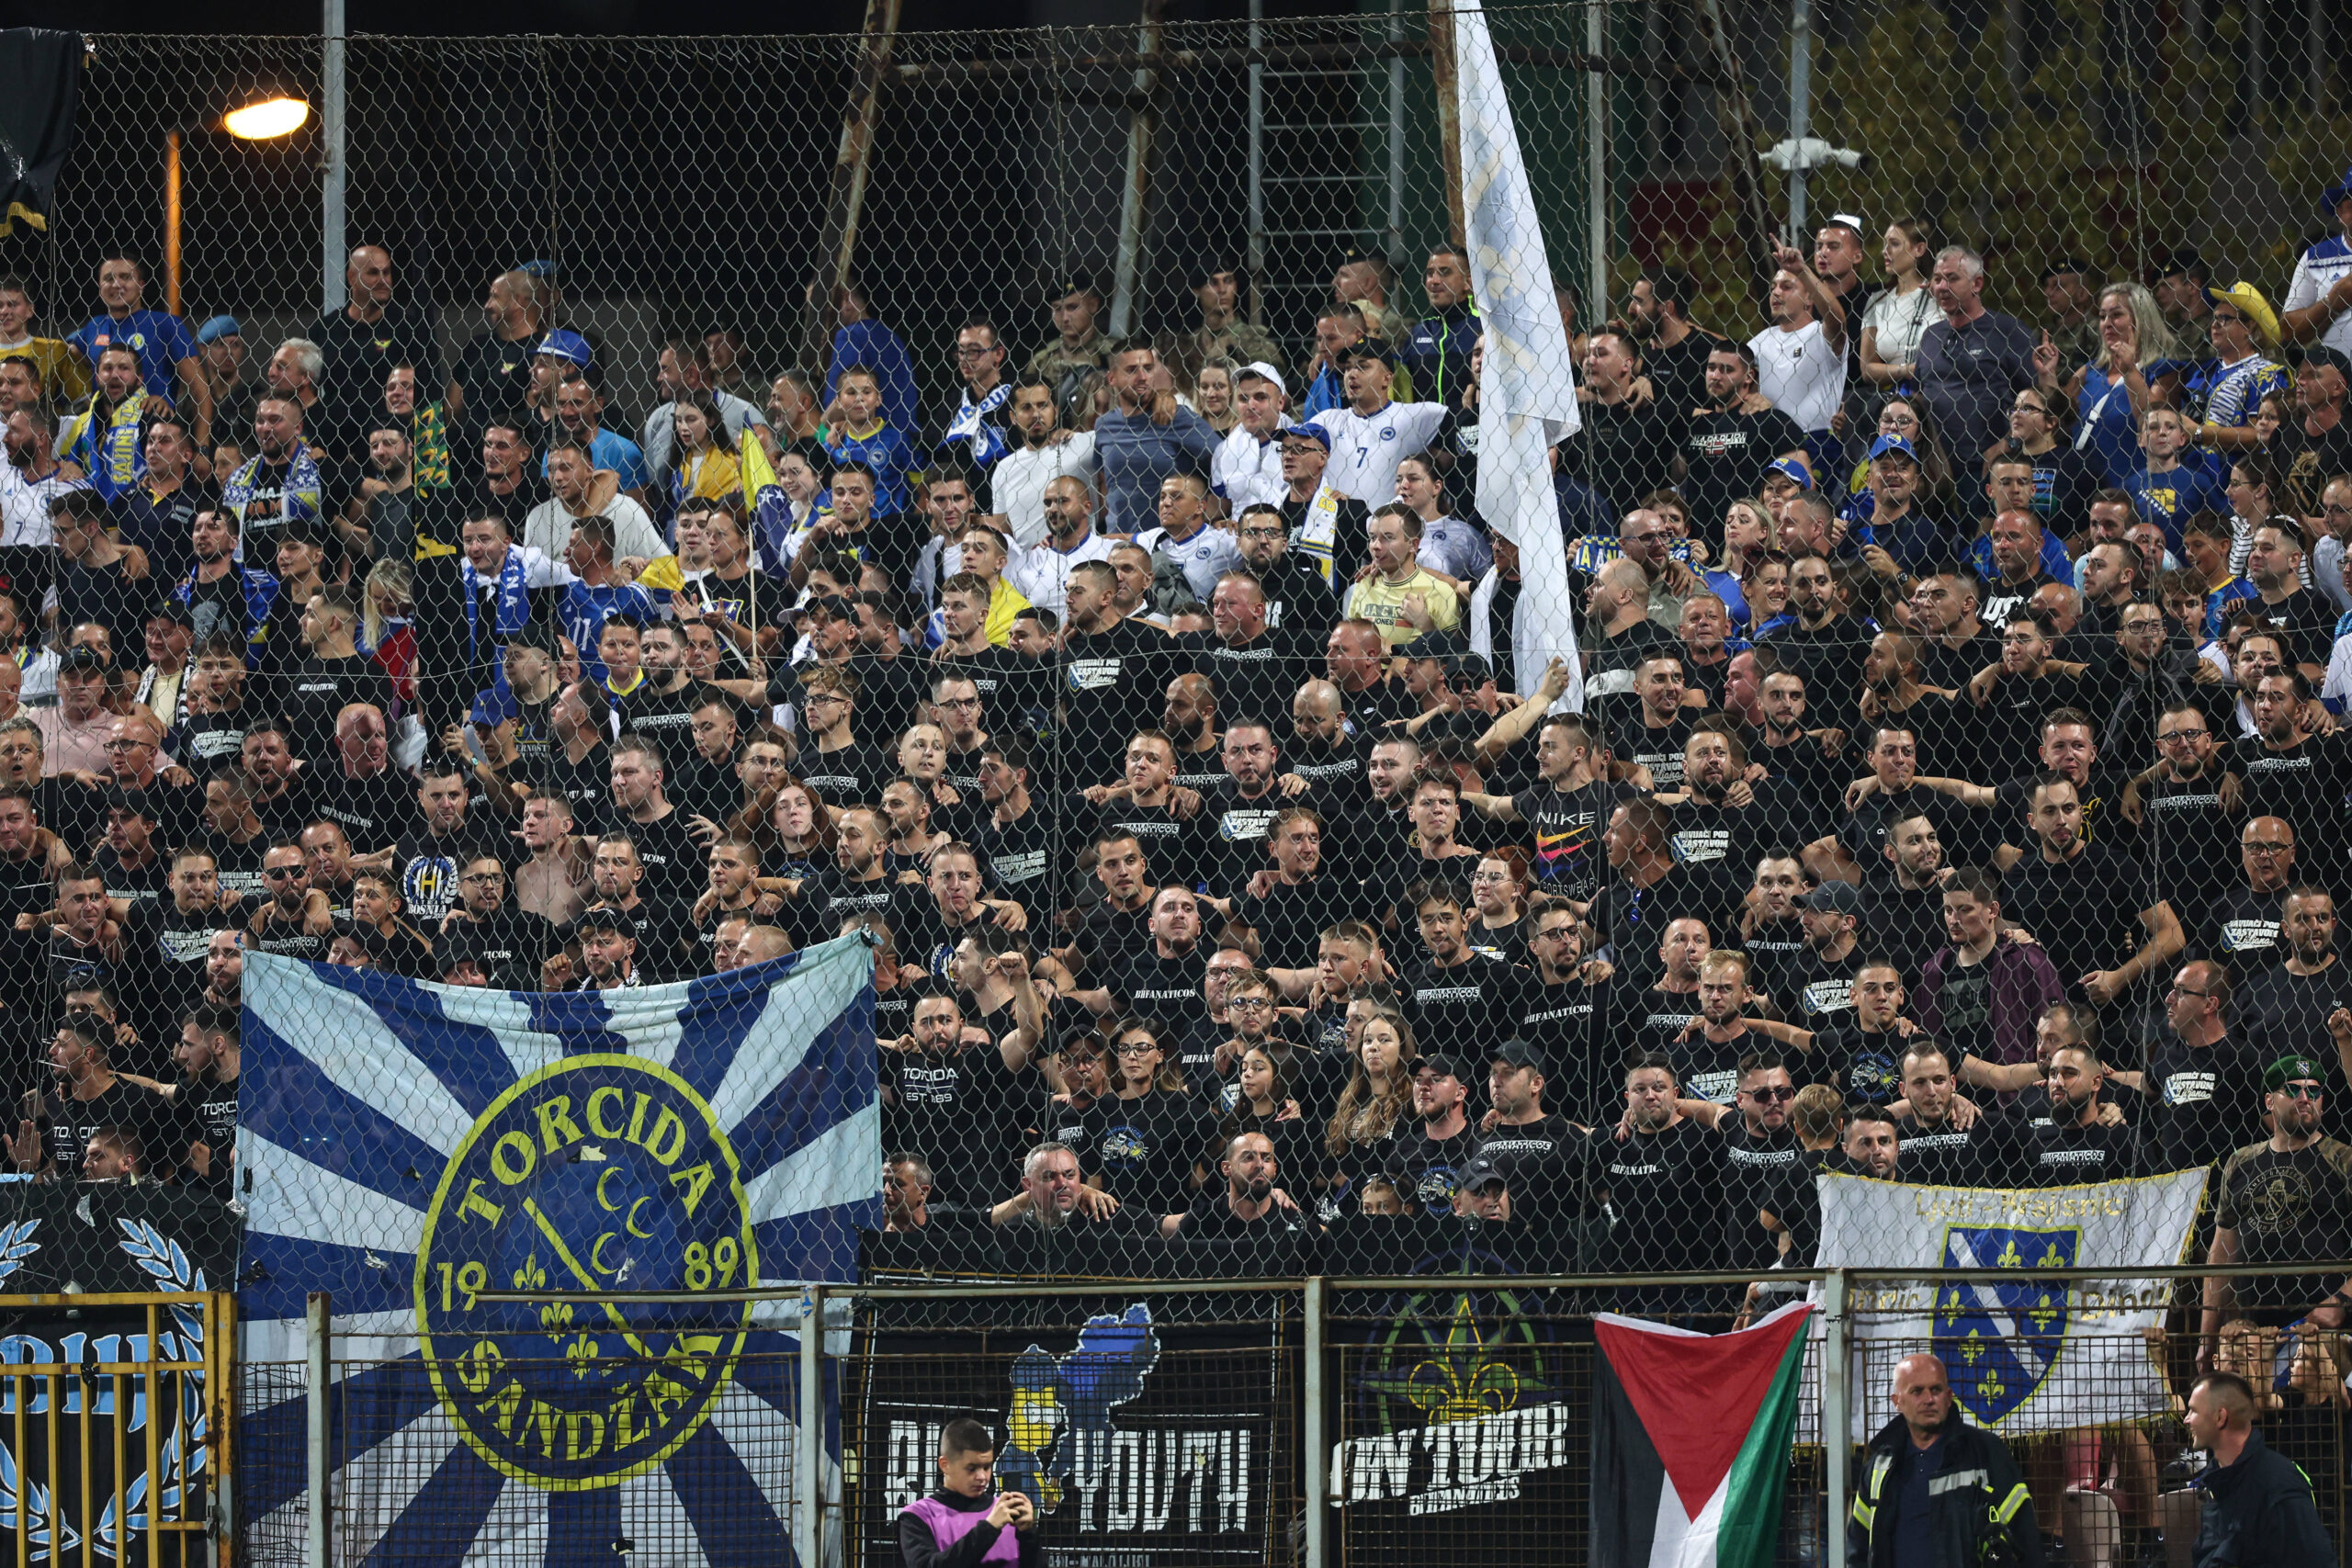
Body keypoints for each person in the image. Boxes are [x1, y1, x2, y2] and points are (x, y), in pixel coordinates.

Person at [1846, 1352, 2041, 1568]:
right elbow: (1859, 1547)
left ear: (1949, 1398)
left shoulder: (1986, 1452)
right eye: (1917, 1391)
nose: (1929, 1399)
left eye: (1936, 1390)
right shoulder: (1879, 1466)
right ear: (1897, 1401)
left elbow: (2025, 1540)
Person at [2180, 1371, 2335, 1568]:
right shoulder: (2218, 1482)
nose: (2186, 1419)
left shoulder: (2279, 1486)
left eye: (2193, 1411)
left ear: (2220, 1418)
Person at [1915, 246, 2039, 469]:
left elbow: (2038, 401)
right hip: (1933, 468)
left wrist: (2007, 445)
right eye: (1937, 279)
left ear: (1977, 284)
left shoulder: (2009, 332)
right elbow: (1918, 395)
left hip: (1988, 467)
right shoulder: (1930, 336)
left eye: (1952, 279)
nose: (1942, 287)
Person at [897, 1417, 1042, 1568]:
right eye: (972, 1469)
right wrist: (989, 1529)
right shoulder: (919, 1516)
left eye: (986, 1467)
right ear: (945, 1465)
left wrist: (1028, 1534)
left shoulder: (1009, 1512)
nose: (982, 1477)